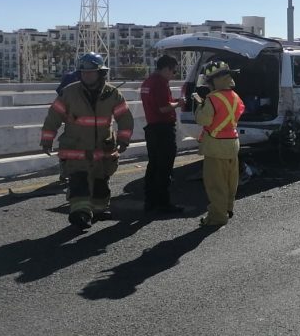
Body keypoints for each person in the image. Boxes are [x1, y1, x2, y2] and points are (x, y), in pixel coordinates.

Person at [40, 52, 134, 230]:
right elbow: (53, 117)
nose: (86, 75)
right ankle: (80, 214)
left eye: (90, 72)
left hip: (103, 150)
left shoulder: (113, 94)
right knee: (79, 182)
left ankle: (98, 210)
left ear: (101, 73)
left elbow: (125, 119)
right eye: (83, 72)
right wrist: (47, 140)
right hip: (75, 149)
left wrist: (123, 139)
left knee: (100, 183)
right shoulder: (69, 92)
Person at [194, 60, 245, 227]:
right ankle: (228, 208)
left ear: (213, 80)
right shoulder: (236, 97)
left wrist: (200, 105)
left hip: (216, 147)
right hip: (233, 144)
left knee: (216, 183)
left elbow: (204, 119)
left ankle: (217, 217)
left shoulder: (212, 99)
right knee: (231, 180)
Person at [140, 55, 185, 215]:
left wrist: (174, 101)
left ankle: (150, 201)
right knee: (164, 168)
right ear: (166, 68)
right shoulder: (159, 83)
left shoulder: (148, 82)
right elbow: (163, 108)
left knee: (153, 166)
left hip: (152, 128)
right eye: (173, 71)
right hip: (163, 129)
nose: (174, 74)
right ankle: (163, 202)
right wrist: (178, 104)